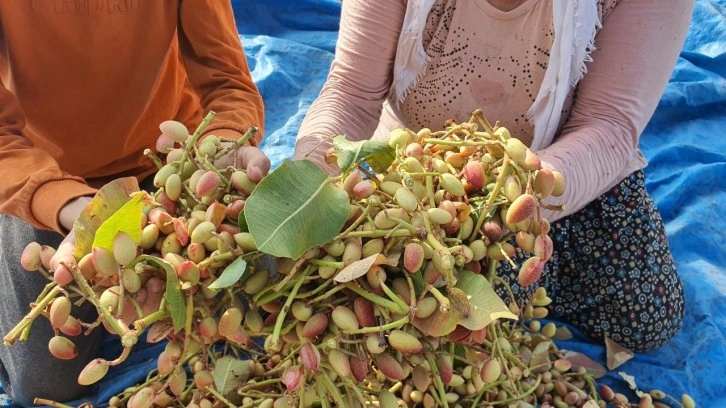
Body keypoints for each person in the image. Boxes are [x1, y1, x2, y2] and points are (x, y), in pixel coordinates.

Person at [295, 0, 694, 352]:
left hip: (562, 176)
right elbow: (351, 93)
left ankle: (528, 277)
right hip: (417, 177)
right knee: (435, 323)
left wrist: (506, 205)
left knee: (647, 316)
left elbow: (608, 126)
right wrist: (310, 182)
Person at [0, 2, 269, 405]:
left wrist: (225, 145)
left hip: (172, 169)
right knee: (43, 385)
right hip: (50, 183)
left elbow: (227, 80)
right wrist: (72, 207)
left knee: (264, 318)